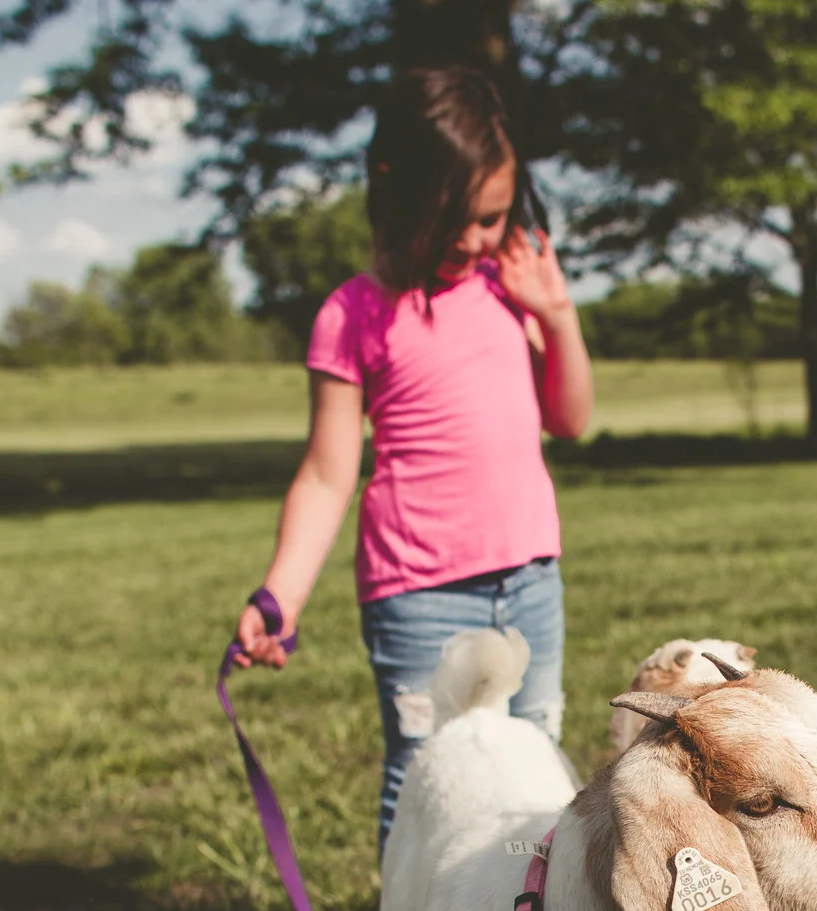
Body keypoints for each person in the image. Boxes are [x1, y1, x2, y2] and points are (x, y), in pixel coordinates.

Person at [233, 65, 593, 852]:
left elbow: (569, 418)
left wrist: (556, 314)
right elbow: (329, 473)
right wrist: (281, 595)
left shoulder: (510, 289)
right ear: (397, 195)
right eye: (454, 220)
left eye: (492, 218)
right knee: (426, 775)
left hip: (530, 578)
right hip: (418, 593)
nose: (473, 240)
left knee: (538, 767)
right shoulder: (353, 312)